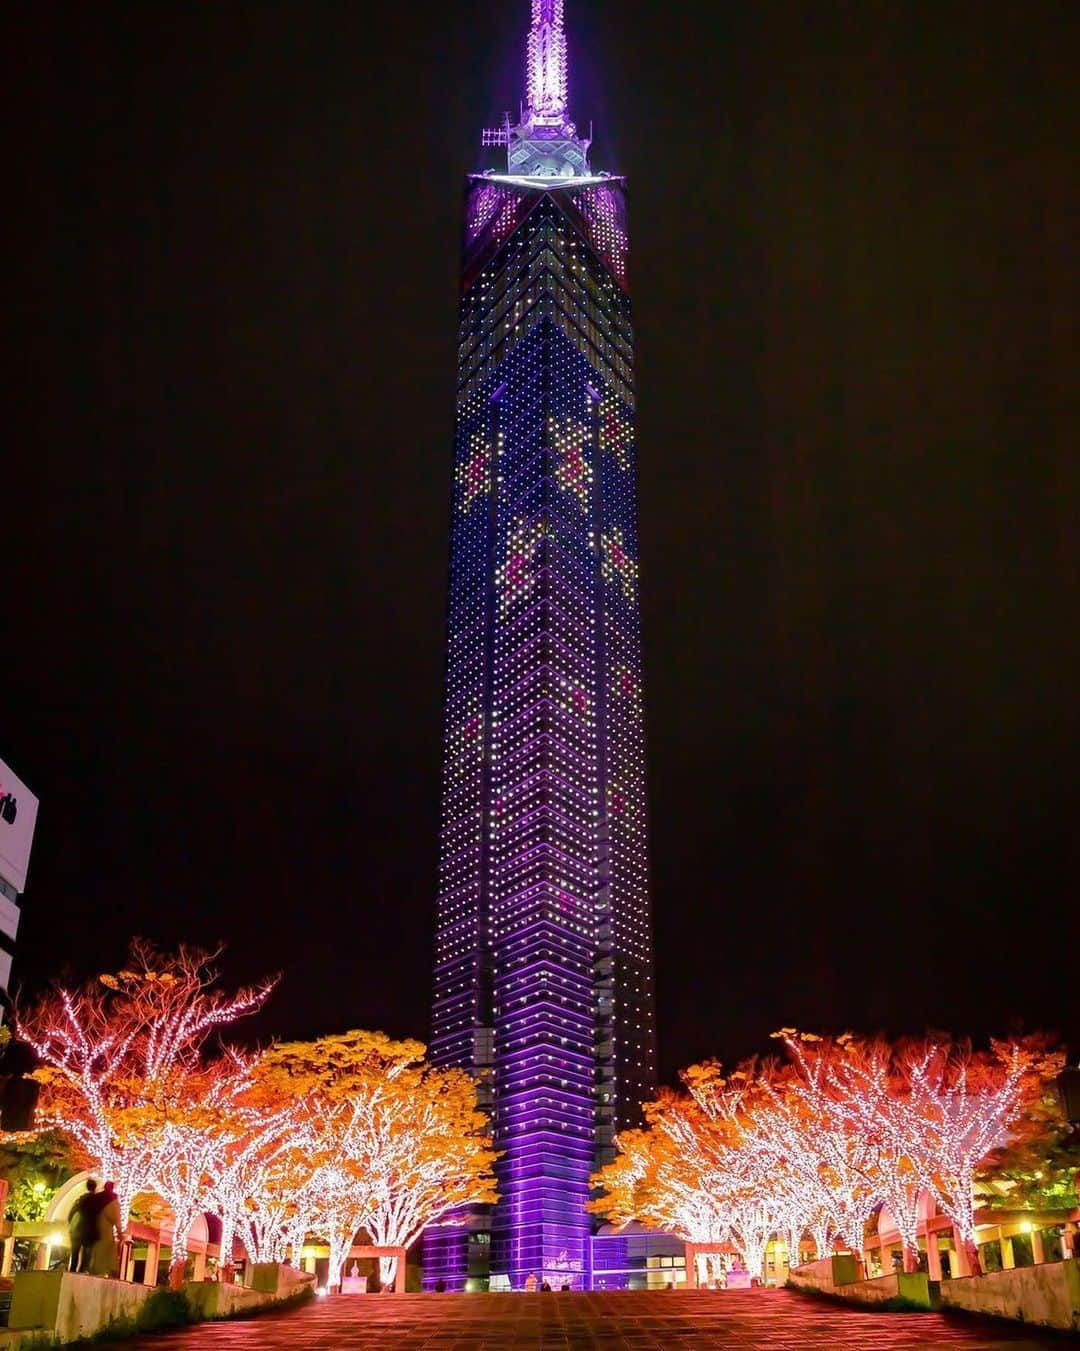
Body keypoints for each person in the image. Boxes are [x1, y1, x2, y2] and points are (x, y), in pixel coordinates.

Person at [89, 1181, 123, 1277]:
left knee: (98, 1250)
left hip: (95, 1228)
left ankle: (95, 1269)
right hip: (106, 1229)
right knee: (107, 1250)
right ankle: (107, 1270)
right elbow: (115, 1217)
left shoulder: (97, 1198)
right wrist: (120, 1232)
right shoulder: (112, 1200)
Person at [67, 1179, 101, 1272]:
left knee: (75, 1253)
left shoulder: (80, 1199)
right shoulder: (97, 1201)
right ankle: (82, 1270)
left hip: (77, 1229)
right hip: (89, 1231)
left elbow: (71, 1213)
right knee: (86, 1254)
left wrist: (71, 1224)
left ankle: (72, 1270)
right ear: (95, 1187)